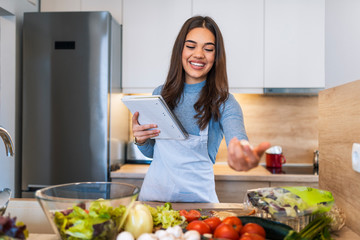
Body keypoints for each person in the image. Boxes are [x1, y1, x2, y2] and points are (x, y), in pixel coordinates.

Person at [132, 16, 271, 203]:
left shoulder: (224, 101)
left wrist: (242, 151)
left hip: (200, 208)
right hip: (154, 201)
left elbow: (237, 138)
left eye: (208, 49)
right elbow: (152, 153)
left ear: (216, 56)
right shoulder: (160, 94)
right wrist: (141, 139)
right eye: (191, 46)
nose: (198, 54)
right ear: (180, 50)